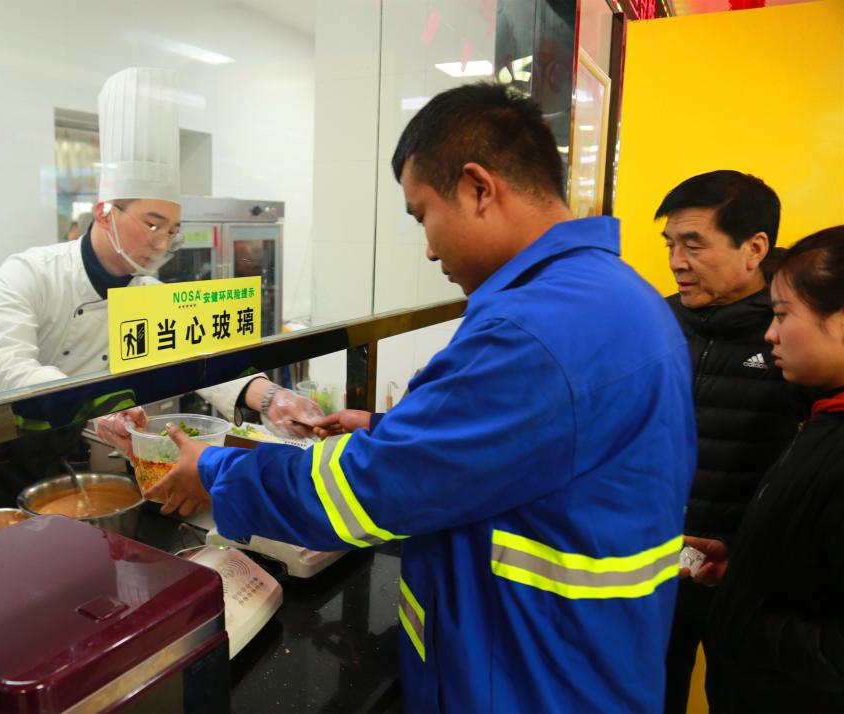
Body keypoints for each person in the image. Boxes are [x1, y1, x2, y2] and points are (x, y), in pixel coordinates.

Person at [150, 83, 695, 712]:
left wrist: (215, 469)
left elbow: (366, 490)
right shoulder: (618, 296)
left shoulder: (535, 331)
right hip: (585, 660)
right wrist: (390, 426)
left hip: (528, 683)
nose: (430, 248)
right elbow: (531, 443)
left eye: (422, 215)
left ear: (478, 187)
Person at [0, 68, 318, 529]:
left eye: (172, 231)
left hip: (60, 452)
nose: (162, 242)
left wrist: (270, 397)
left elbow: (203, 358)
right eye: (152, 224)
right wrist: (99, 402)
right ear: (104, 212)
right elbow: (6, 367)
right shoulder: (30, 272)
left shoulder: (148, 294)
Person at [655, 171, 811, 713]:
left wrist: (746, 557)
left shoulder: (794, 334)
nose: (677, 261)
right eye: (670, 244)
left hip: (750, 580)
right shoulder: (656, 322)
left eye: (694, 244)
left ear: (755, 248)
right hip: (655, 567)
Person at [703, 226, 844, 712]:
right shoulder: (824, 418)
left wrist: (746, 621)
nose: (770, 334)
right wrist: (742, 567)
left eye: (783, 314)